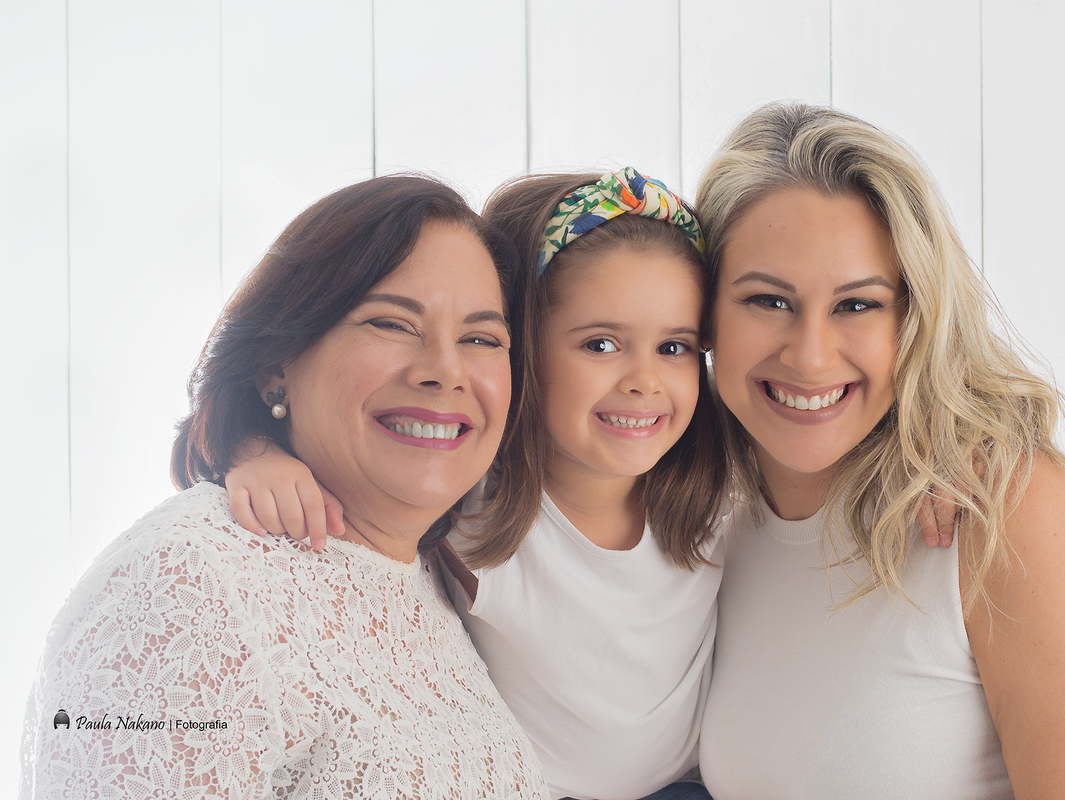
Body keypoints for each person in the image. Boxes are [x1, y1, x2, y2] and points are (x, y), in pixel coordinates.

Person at [20, 175, 546, 799]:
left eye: (481, 338)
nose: (447, 370)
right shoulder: (186, 587)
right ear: (277, 368)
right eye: (392, 323)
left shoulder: (440, 578)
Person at [693, 102, 1065, 799]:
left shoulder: (997, 503)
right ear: (703, 313)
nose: (811, 356)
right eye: (769, 301)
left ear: (915, 316)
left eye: (857, 305)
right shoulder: (699, 522)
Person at [226, 168, 731, 800]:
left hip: (692, 786)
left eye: (675, 348)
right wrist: (255, 451)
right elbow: (331, 438)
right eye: (601, 345)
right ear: (521, 352)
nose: (644, 381)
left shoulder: (717, 489)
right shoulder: (477, 493)